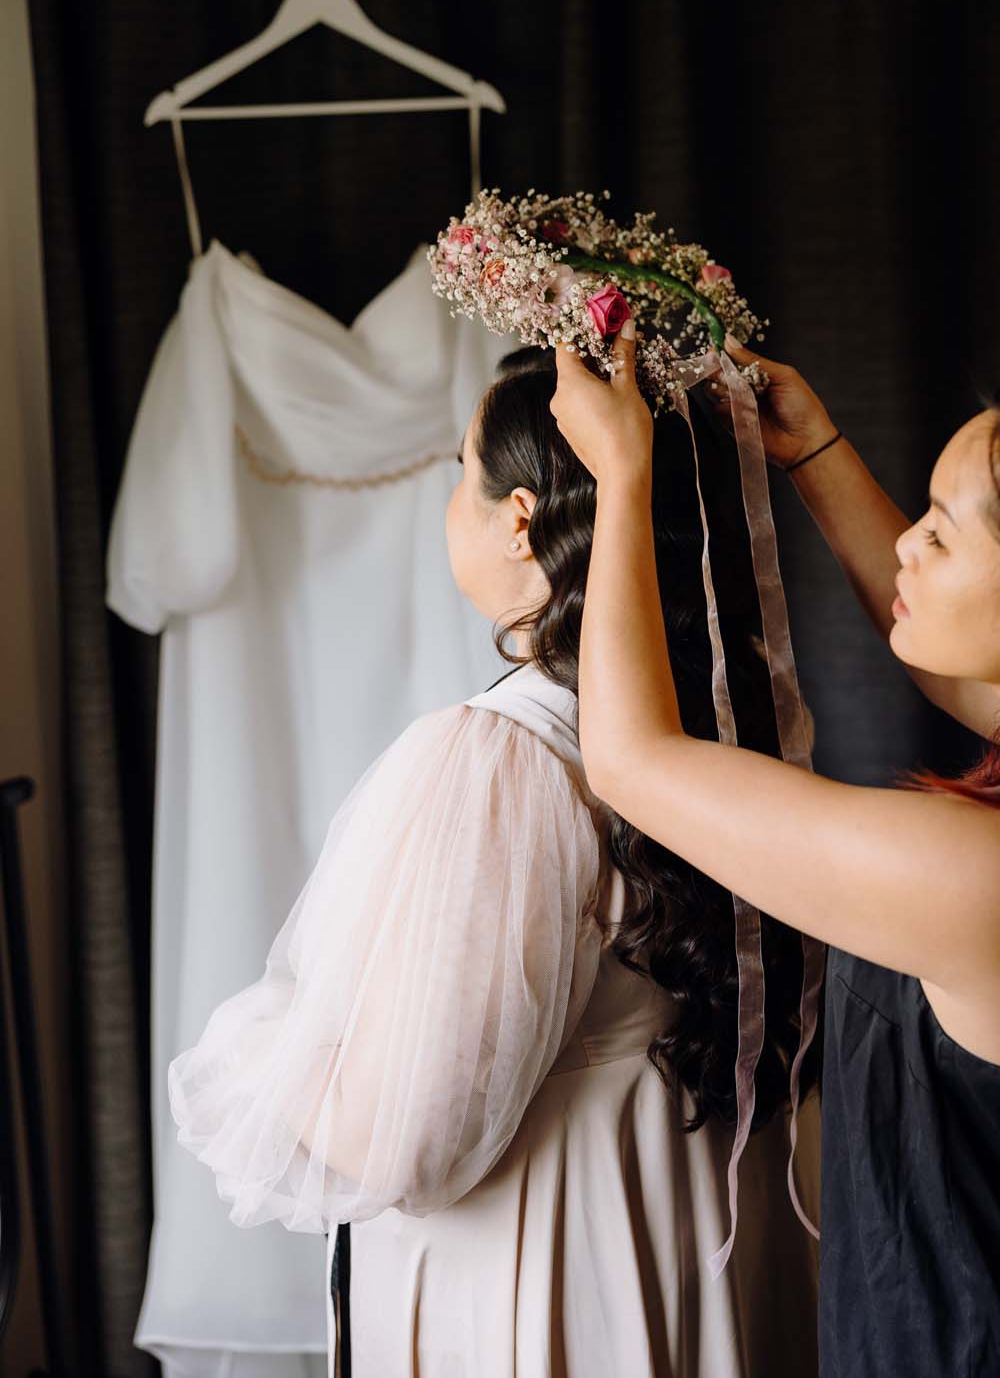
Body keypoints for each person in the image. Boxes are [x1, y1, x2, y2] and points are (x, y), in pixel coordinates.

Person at [169, 347, 822, 1378]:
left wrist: (277, 1052)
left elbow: (407, 1143)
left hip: (548, 1263)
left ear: (518, 517)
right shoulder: (736, 729)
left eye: (455, 469)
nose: (448, 502)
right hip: (690, 1227)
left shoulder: (502, 761)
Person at [550, 321, 1000, 1378]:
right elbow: (966, 680)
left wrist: (620, 475)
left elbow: (631, 761)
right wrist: (814, 454)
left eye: (939, 531)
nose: (906, 546)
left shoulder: (969, 878)